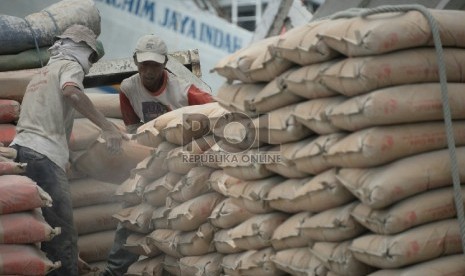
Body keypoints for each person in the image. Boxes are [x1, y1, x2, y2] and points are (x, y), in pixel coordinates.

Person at [10, 24, 126, 276]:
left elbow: (47, 119)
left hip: (21, 154)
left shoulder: (43, 73)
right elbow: (72, 93)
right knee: (62, 230)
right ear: (81, 49)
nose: (91, 63)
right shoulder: (70, 66)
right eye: (92, 57)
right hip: (43, 157)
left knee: (45, 227)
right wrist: (108, 127)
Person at [100, 34, 213, 276]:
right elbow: (133, 128)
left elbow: (214, 112)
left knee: (188, 217)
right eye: (144, 64)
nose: (149, 71)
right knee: (130, 215)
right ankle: (115, 270)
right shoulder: (129, 88)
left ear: (164, 64)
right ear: (135, 62)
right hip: (154, 160)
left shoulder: (184, 90)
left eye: (154, 64)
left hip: (187, 159)